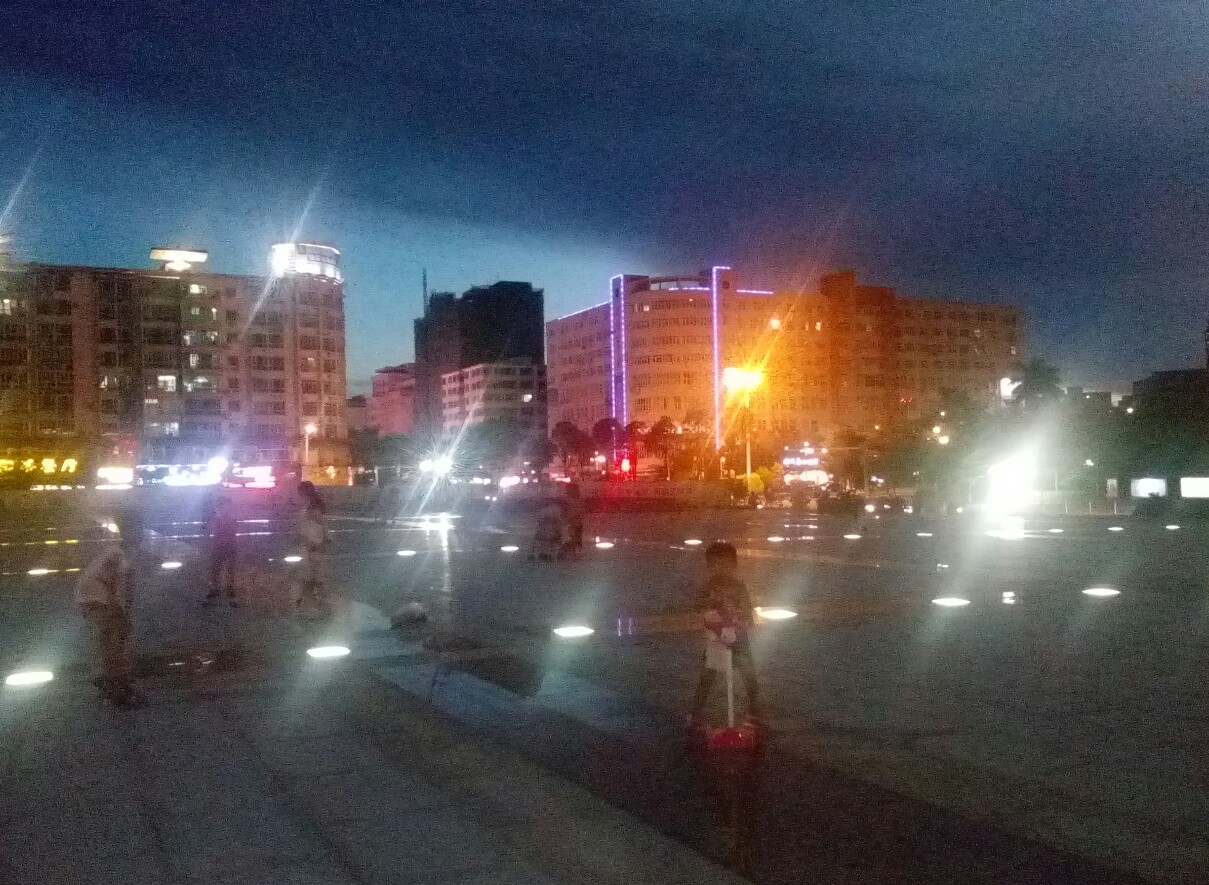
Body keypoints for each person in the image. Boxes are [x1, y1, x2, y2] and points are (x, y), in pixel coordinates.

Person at [688, 541, 764, 728]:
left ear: (734, 566)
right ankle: (696, 714)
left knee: (748, 674)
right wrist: (714, 620)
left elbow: (747, 613)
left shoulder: (739, 587)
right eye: (716, 565)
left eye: (726, 565)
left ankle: (755, 712)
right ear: (709, 567)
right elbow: (700, 608)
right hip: (716, 639)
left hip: (739, 639)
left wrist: (740, 623)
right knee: (708, 674)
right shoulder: (708, 588)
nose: (722, 570)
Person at [76, 511, 146, 707]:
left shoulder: (118, 551)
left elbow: (125, 587)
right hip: (97, 597)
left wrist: (124, 613)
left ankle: (108, 677)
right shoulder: (119, 555)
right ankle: (117, 686)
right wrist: (122, 614)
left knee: (109, 638)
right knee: (115, 641)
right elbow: (118, 589)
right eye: (137, 530)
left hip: (90, 596)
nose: (141, 534)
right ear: (129, 531)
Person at [296, 481, 330, 613]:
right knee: (313, 575)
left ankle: (309, 602)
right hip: (312, 545)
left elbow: (317, 528)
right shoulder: (312, 507)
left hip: (312, 545)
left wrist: (316, 543)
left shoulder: (313, 509)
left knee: (312, 576)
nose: (299, 496)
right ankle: (309, 601)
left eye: (300, 493)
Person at [204, 495, 239, 607]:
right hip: (220, 547)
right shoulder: (218, 519)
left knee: (228, 569)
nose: (224, 509)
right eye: (222, 506)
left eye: (226, 506)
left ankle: (228, 587)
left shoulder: (230, 519)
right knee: (217, 569)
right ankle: (217, 587)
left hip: (228, 547)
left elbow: (232, 533)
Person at [561, 482, 585, 554]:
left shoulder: (571, 501)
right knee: (575, 536)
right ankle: (575, 549)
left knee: (574, 536)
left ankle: (574, 549)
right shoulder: (576, 501)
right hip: (574, 523)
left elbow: (576, 512)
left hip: (574, 523)